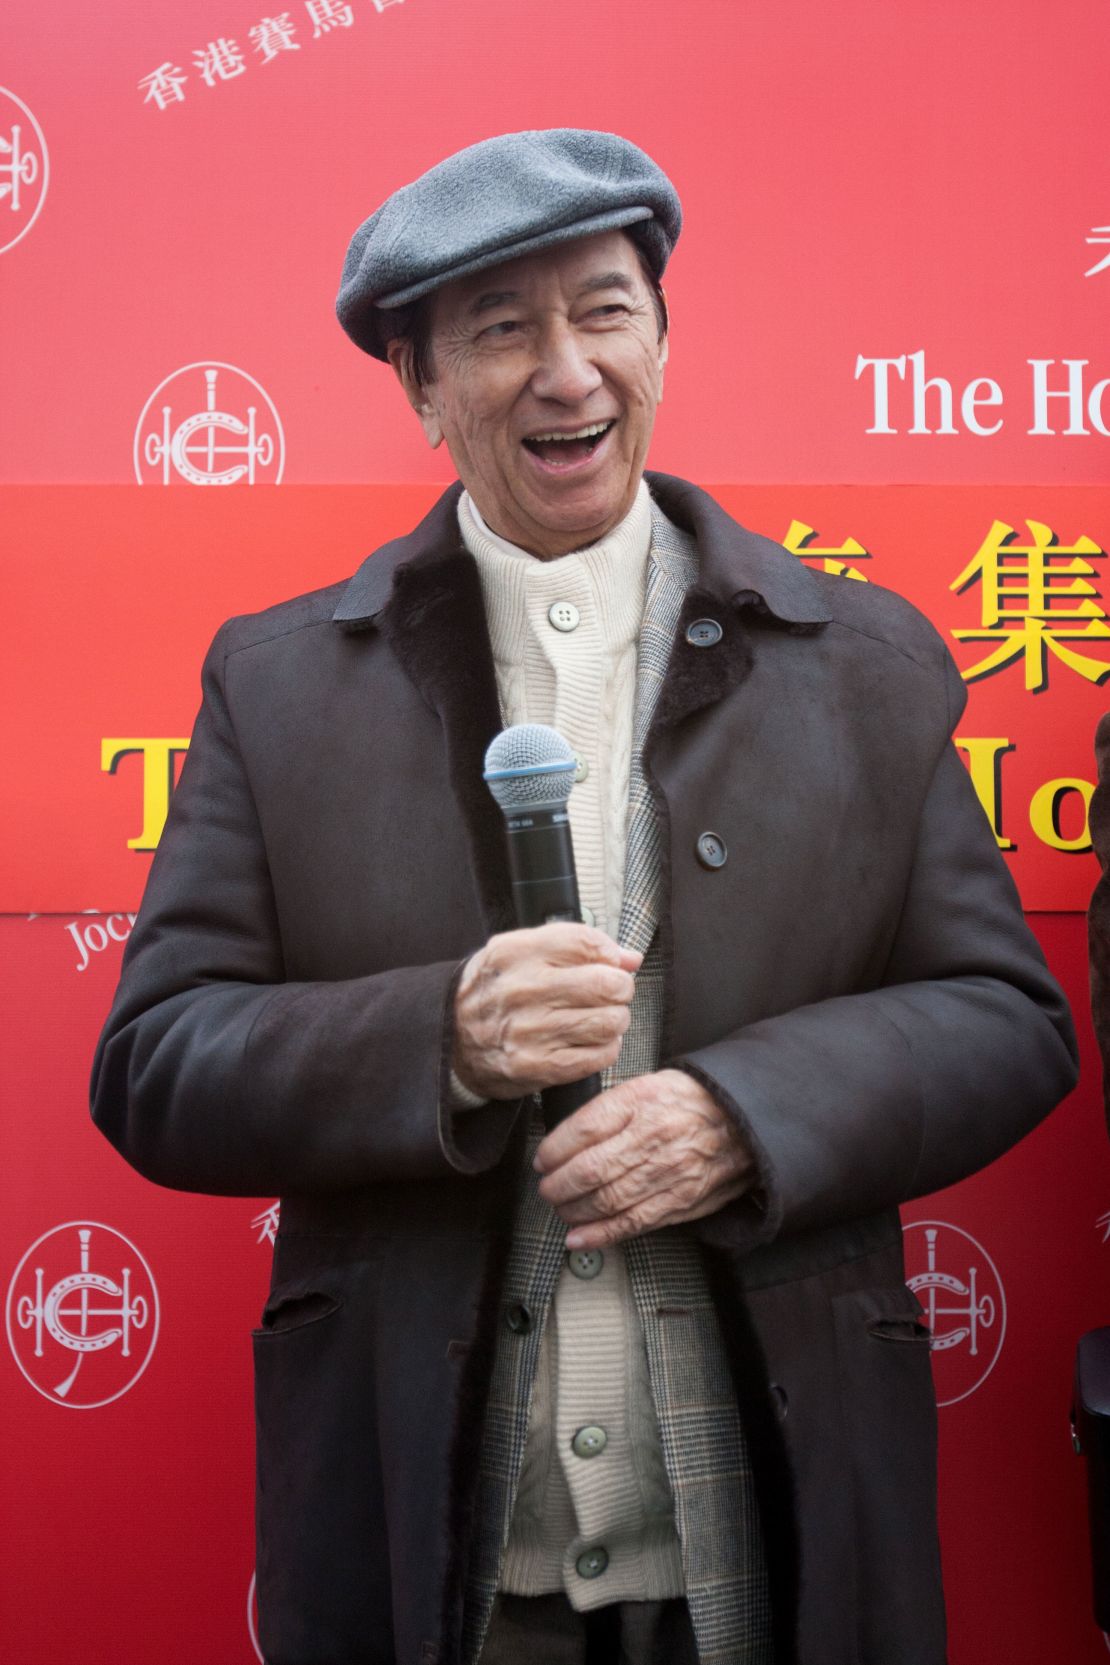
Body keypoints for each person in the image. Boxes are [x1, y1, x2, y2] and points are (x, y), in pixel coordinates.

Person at [91, 130, 1078, 1665]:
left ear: (663, 339)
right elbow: (155, 1065)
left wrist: (748, 1114)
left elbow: (1006, 1020)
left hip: (781, 1520)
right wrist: (445, 1038)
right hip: (434, 1542)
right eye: (499, 329)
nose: (567, 372)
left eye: (605, 311)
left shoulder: (861, 663)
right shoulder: (282, 686)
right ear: (418, 385)